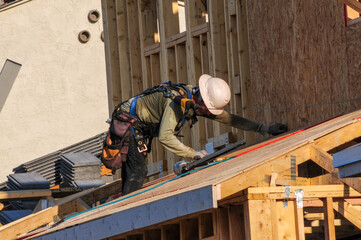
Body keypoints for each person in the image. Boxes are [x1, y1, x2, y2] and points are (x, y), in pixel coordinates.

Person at [101, 74, 287, 195]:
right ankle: (127, 213)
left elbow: (230, 119)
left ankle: (125, 200)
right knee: (138, 171)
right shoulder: (177, 102)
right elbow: (165, 137)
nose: (209, 114)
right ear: (201, 101)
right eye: (209, 110)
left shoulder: (194, 101)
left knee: (134, 173)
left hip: (140, 127)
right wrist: (194, 154)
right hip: (129, 123)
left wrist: (265, 129)